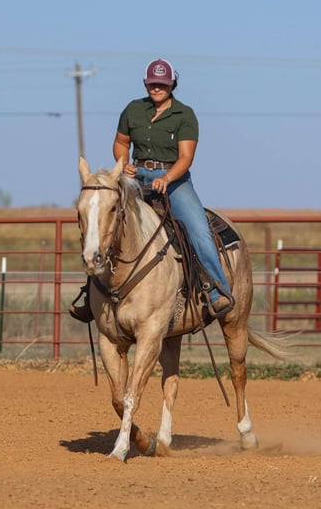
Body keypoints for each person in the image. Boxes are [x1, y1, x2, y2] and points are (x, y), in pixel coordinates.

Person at [70, 58, 234, 322]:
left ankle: (217, 291)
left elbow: (186, 157)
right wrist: (124, 163)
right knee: (106, 222)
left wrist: (167, 178)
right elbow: (121, 143)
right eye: (152, 84)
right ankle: (92, 295)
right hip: (136, 176)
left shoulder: (184, 115)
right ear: (146, 84)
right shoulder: (133, 110)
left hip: (174, 179)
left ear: (172, 85)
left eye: (162, 84)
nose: (157, 88)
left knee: (199, 229)